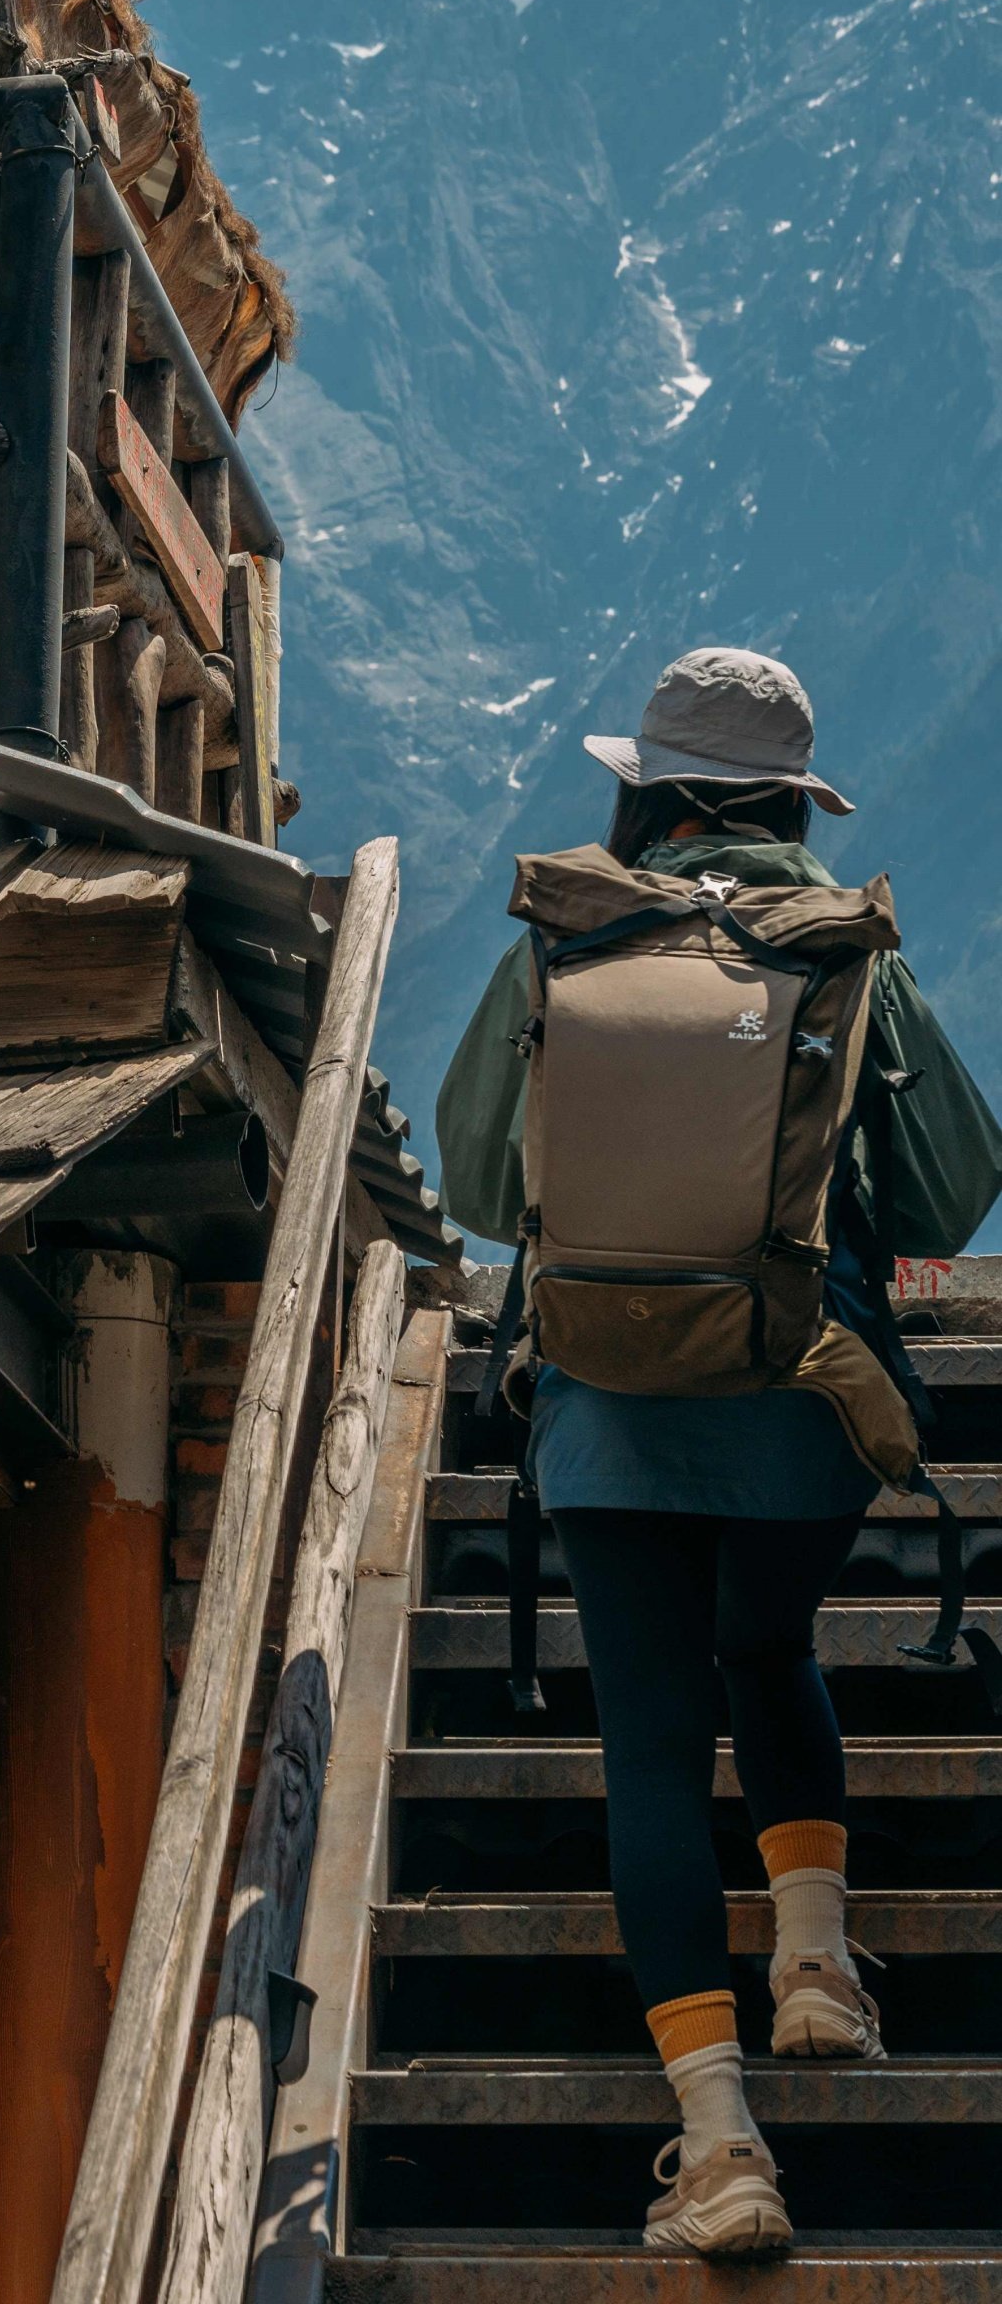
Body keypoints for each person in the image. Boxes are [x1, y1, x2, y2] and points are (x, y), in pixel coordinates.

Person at [436, 647, 1002, 2257]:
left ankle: (721, 2146)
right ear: (788, 802)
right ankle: (818, 1968)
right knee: (770, 1648)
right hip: (801, 1405)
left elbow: (484, 1178)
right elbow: (955, 1186)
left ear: (650, 787)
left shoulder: (574, 929)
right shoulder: (841, 948)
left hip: (608, 1417)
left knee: (650, 1756)